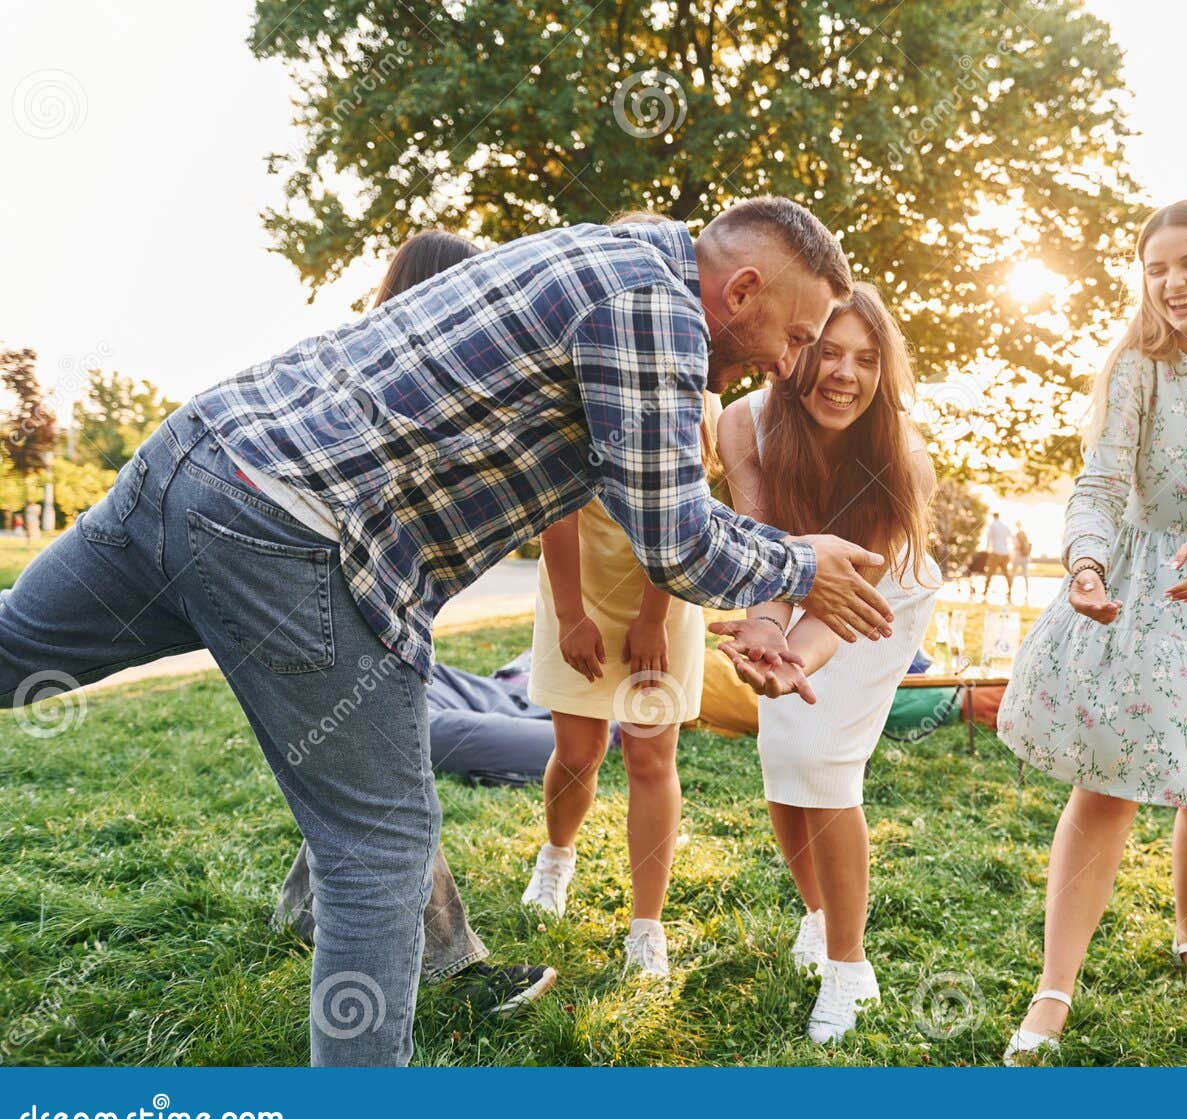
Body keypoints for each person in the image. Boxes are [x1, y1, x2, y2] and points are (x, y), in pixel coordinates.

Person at [0, 197, 895, 1066]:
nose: (792, 364)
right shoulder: (656, 308)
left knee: (14, 651)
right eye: (797, 335)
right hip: (292, 532)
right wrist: (802, 565)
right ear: (740, 293)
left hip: (189, 458)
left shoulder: (604, 256)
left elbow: (644, 504)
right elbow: (676, 540)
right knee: (380, 849)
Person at [995, 199, 1187, 1064]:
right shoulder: (1137, 364)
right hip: (1136, 585)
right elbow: (1099, 482)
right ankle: (1054, 986)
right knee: (1107, 782)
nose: (1173, 282)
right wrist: (1085, 564)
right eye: (1157, 266)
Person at [270, 231, 555, 1017]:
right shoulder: (397, 400)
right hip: (314, 601)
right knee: (395, 789)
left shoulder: (373, 378)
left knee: (353, 767)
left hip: (314, 601)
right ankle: (452, 966)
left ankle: (302, 904)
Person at [714, 284, 940, 1043]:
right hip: (792, 582)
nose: (845, 373)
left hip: (879, 599)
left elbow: (845, 605)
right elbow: (761, 539)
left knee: (826, 759)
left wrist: (793, 660)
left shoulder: (898, 452)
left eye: (867, 360)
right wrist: (765, 630)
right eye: (830, 352)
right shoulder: (743, 422)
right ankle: (818, 918)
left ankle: (851, 969)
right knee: (784, 757)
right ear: (795, 350)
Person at [521, 263, 720, 975]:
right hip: (575, 585)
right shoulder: (567, 383)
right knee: (578, 752)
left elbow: (685, 518)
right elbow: (557, 508)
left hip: (661, 592)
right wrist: (571, 613)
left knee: (648, 754)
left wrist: (655, 618)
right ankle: (556, 860)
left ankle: (646, 926)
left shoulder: (698, 393)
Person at [981, 512, 1013, 602]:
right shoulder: (1005, 526)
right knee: (1006, 573)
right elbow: (1011, 537)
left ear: (993, 517)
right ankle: (1010, 591)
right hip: (1005, 553)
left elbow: (989, 539)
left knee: (990, 573)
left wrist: (987, 551)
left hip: (996, 552)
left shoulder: (992, 526)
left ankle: (985, 591)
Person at [1011, 526, 1032, 604]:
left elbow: (1016, 546)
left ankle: (1010, 591)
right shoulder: (1025, 535)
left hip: (1018, 556)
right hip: (1025, 557)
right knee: (1026, 575)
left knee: (1013, 574)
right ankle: (1027, 592)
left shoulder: (1016, 535)